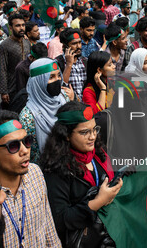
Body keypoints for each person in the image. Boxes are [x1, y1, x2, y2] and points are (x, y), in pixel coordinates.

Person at [39, 101, 123, 247]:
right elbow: (60, 220)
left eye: (94, 129)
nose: (92, 137)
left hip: (109, 235)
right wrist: (97, 202)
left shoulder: (98, 153)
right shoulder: (56, 169)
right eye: (84, 132)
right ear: (66, 135)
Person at [0, 110, 62, 247]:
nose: (25, 150)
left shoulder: (35, 173)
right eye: (13, 146)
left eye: (27, 141)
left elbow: (48, 225)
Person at [19, 58, 73, 162]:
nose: (57, 80)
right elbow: (32, 155)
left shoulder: (63, 98)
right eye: (51, 77)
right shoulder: (28, 117)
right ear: (38, 82)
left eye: (58, 75)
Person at [0, 13, 31, 106]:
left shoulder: (27, 42)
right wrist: (4, 91)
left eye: (23, 25)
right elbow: (2, 68)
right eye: (17, 25)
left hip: (28, 85)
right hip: (13, 87)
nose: (21, 28)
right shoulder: (4, 45)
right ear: (11, 27)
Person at [56, 28, 87, 100]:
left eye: (79, 42)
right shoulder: (58, 63)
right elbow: (61, 87)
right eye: (74, 44)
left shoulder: (85, 62)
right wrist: (69, 64)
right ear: (65, 46)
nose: (78, 46)